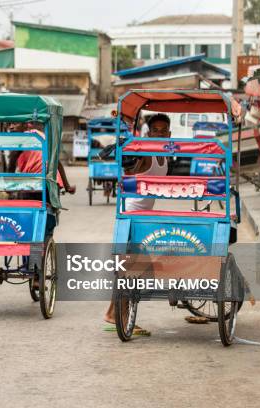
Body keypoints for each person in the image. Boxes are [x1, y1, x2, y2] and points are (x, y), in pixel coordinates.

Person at [103, 113, 172, 337]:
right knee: (132, 266)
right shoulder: (145, 153)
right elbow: (130, 168)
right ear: (148, 133)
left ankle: (114, 314)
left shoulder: (165, 155)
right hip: (132, 214)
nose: (160, 134)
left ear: (169, 134)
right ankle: (119, 317)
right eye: (156, 131)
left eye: (164, 131)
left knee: (133, 266)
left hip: (146, 216)